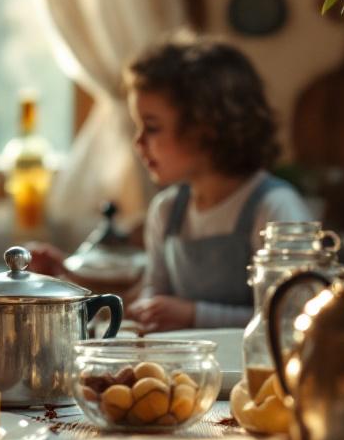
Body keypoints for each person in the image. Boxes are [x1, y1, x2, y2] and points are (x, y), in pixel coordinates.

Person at [122, 41, 311, 332]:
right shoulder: (166, 210)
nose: (138, 142)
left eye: (153, 127)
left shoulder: (274, 207)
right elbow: (154, 289)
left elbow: (294, 318)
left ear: (206, 128)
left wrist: (195, 315)